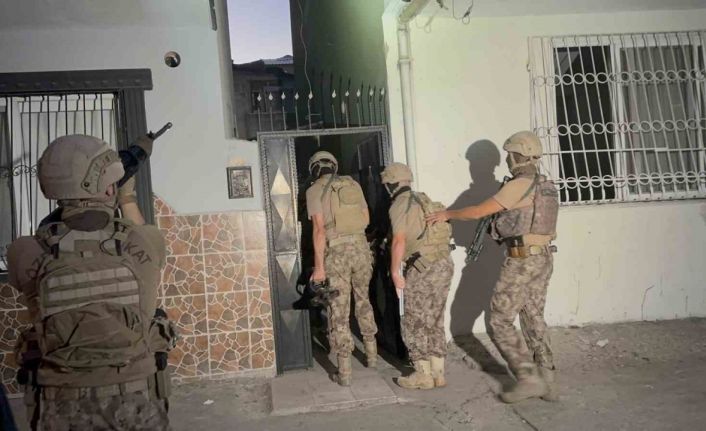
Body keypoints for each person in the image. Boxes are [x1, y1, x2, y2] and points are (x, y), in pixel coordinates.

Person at [7, 134, 176, 430]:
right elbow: (140, 237)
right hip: (137, 405)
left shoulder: (23, 251)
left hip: (59, 409)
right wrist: (126, 198)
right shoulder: (146, 240)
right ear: (109, 187)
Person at [426, 131, 559, 403]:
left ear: (516, 156)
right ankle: (547, 379)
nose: (507, 160)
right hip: (543, 258)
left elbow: (478, 212)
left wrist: (447, 214)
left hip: (522, 260)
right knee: (533, 316)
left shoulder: (518, 185)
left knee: (499, 319)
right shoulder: (544, 184)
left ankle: (528, 378)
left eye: (509, 155)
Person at [305, 151, 378, 386]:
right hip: (361, 250)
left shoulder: (314, 191)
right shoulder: (352, 184)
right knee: (364, 299)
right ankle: (372, 356)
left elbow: (319, 230)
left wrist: (319, 268)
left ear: (314, 169)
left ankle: (345, 372)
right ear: (334, 166)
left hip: (337, 254)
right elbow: (366, 218)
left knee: (339, 310)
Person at [381, 162, 454, 390]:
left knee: (414, 320)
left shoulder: (399, 205)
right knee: (435, 318)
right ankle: (438, 372)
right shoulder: (423, 199)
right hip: (443, 263)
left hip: (423, 267)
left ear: (390, 184)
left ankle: (422, 374)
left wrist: (395, 273)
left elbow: (399, 240)